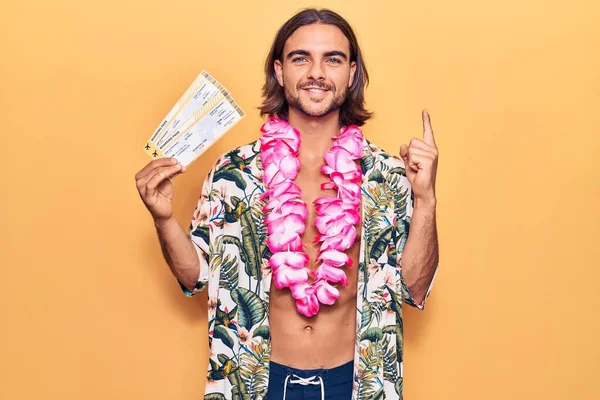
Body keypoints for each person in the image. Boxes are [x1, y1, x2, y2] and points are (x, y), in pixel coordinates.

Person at [135, 8, 439, 400]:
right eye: (301, 58)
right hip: (255, 382)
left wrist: (426, 199)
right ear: (280, 72)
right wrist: (163, 219)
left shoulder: (386, 174)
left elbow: (415, 289)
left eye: (332, 59)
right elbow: (197, 276)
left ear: (352, 72)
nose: (316, 72)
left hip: (358, 384)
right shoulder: (235, 172)